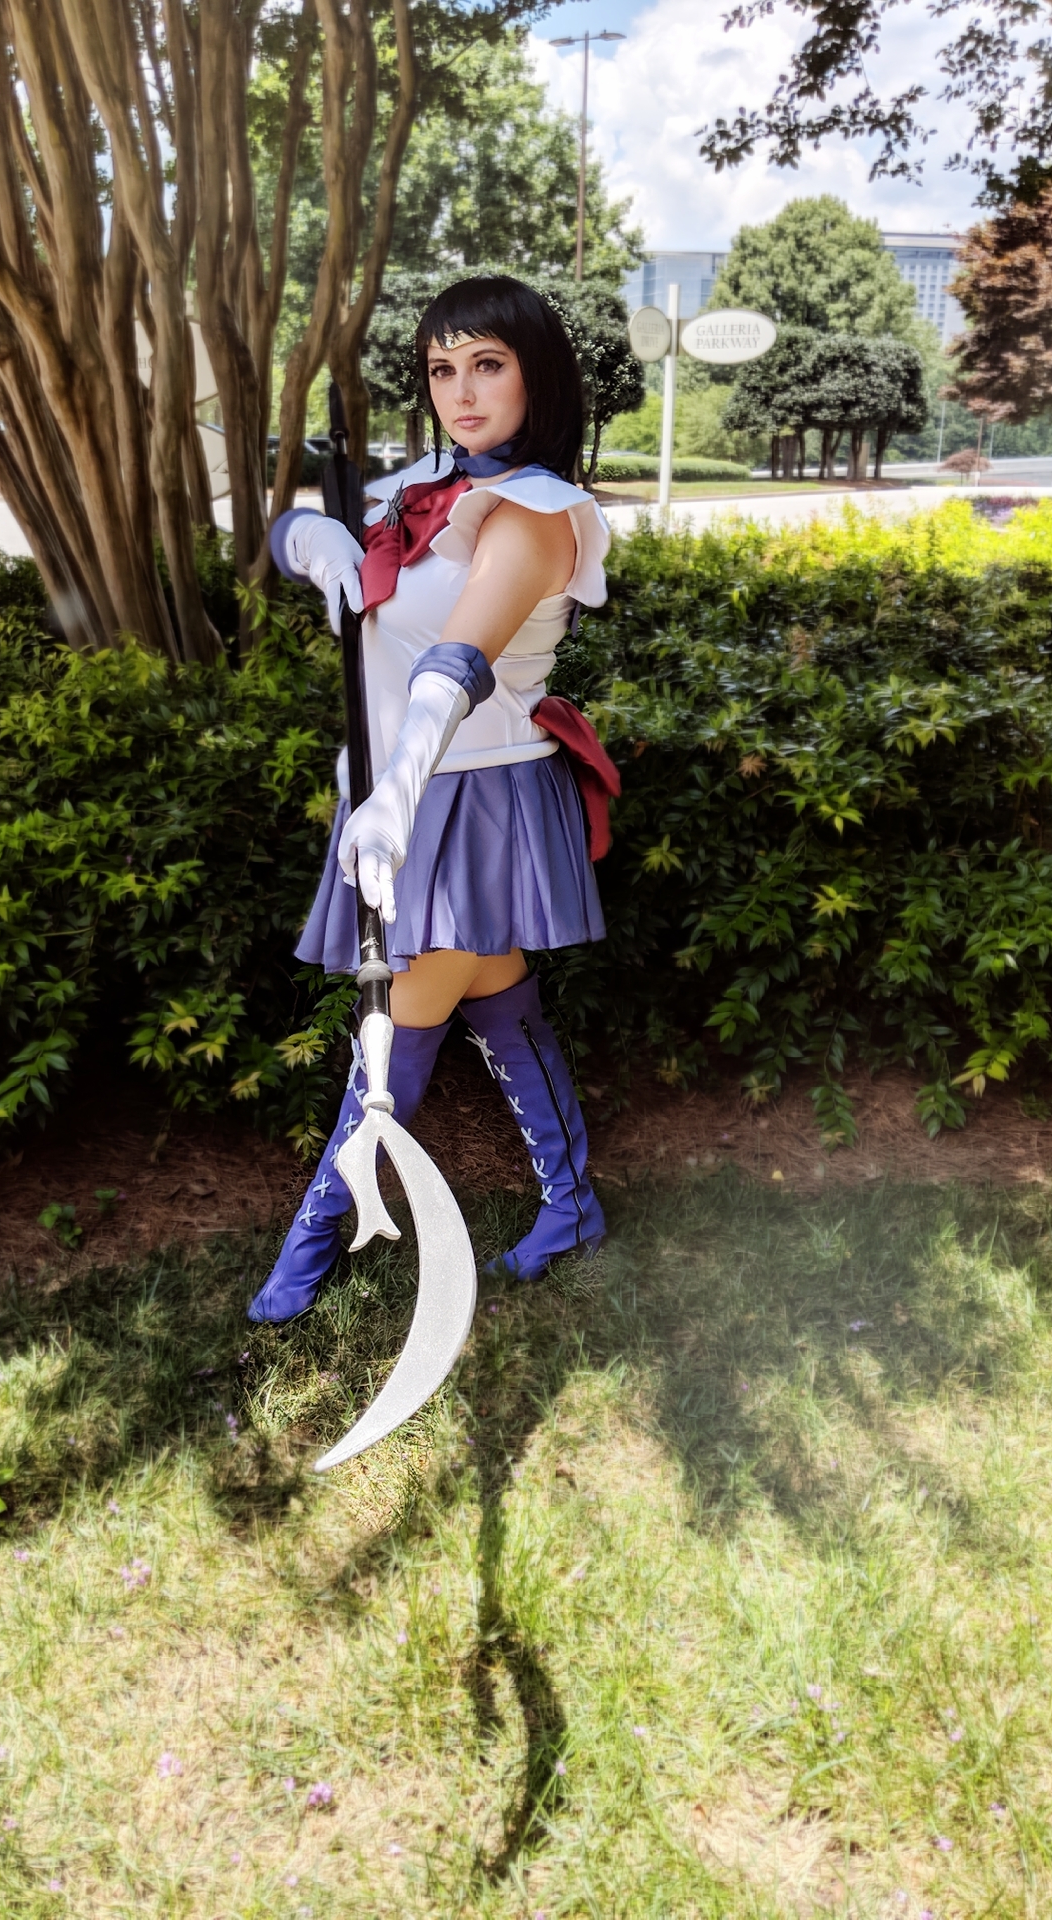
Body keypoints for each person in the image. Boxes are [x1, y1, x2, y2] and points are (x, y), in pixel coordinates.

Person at [247, 274, 619, 1325]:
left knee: (395, 1033)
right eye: (442, 368)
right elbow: (289, 535)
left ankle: (310, 1249)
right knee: (496, 994)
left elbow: (453, 669)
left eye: (487, 365)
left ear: (537, 376)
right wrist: (314, 544)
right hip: (400, 796)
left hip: (466, 804)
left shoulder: (537, 514)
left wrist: (396, 799)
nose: (461, 391)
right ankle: (572, 1204)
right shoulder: (420, 486)